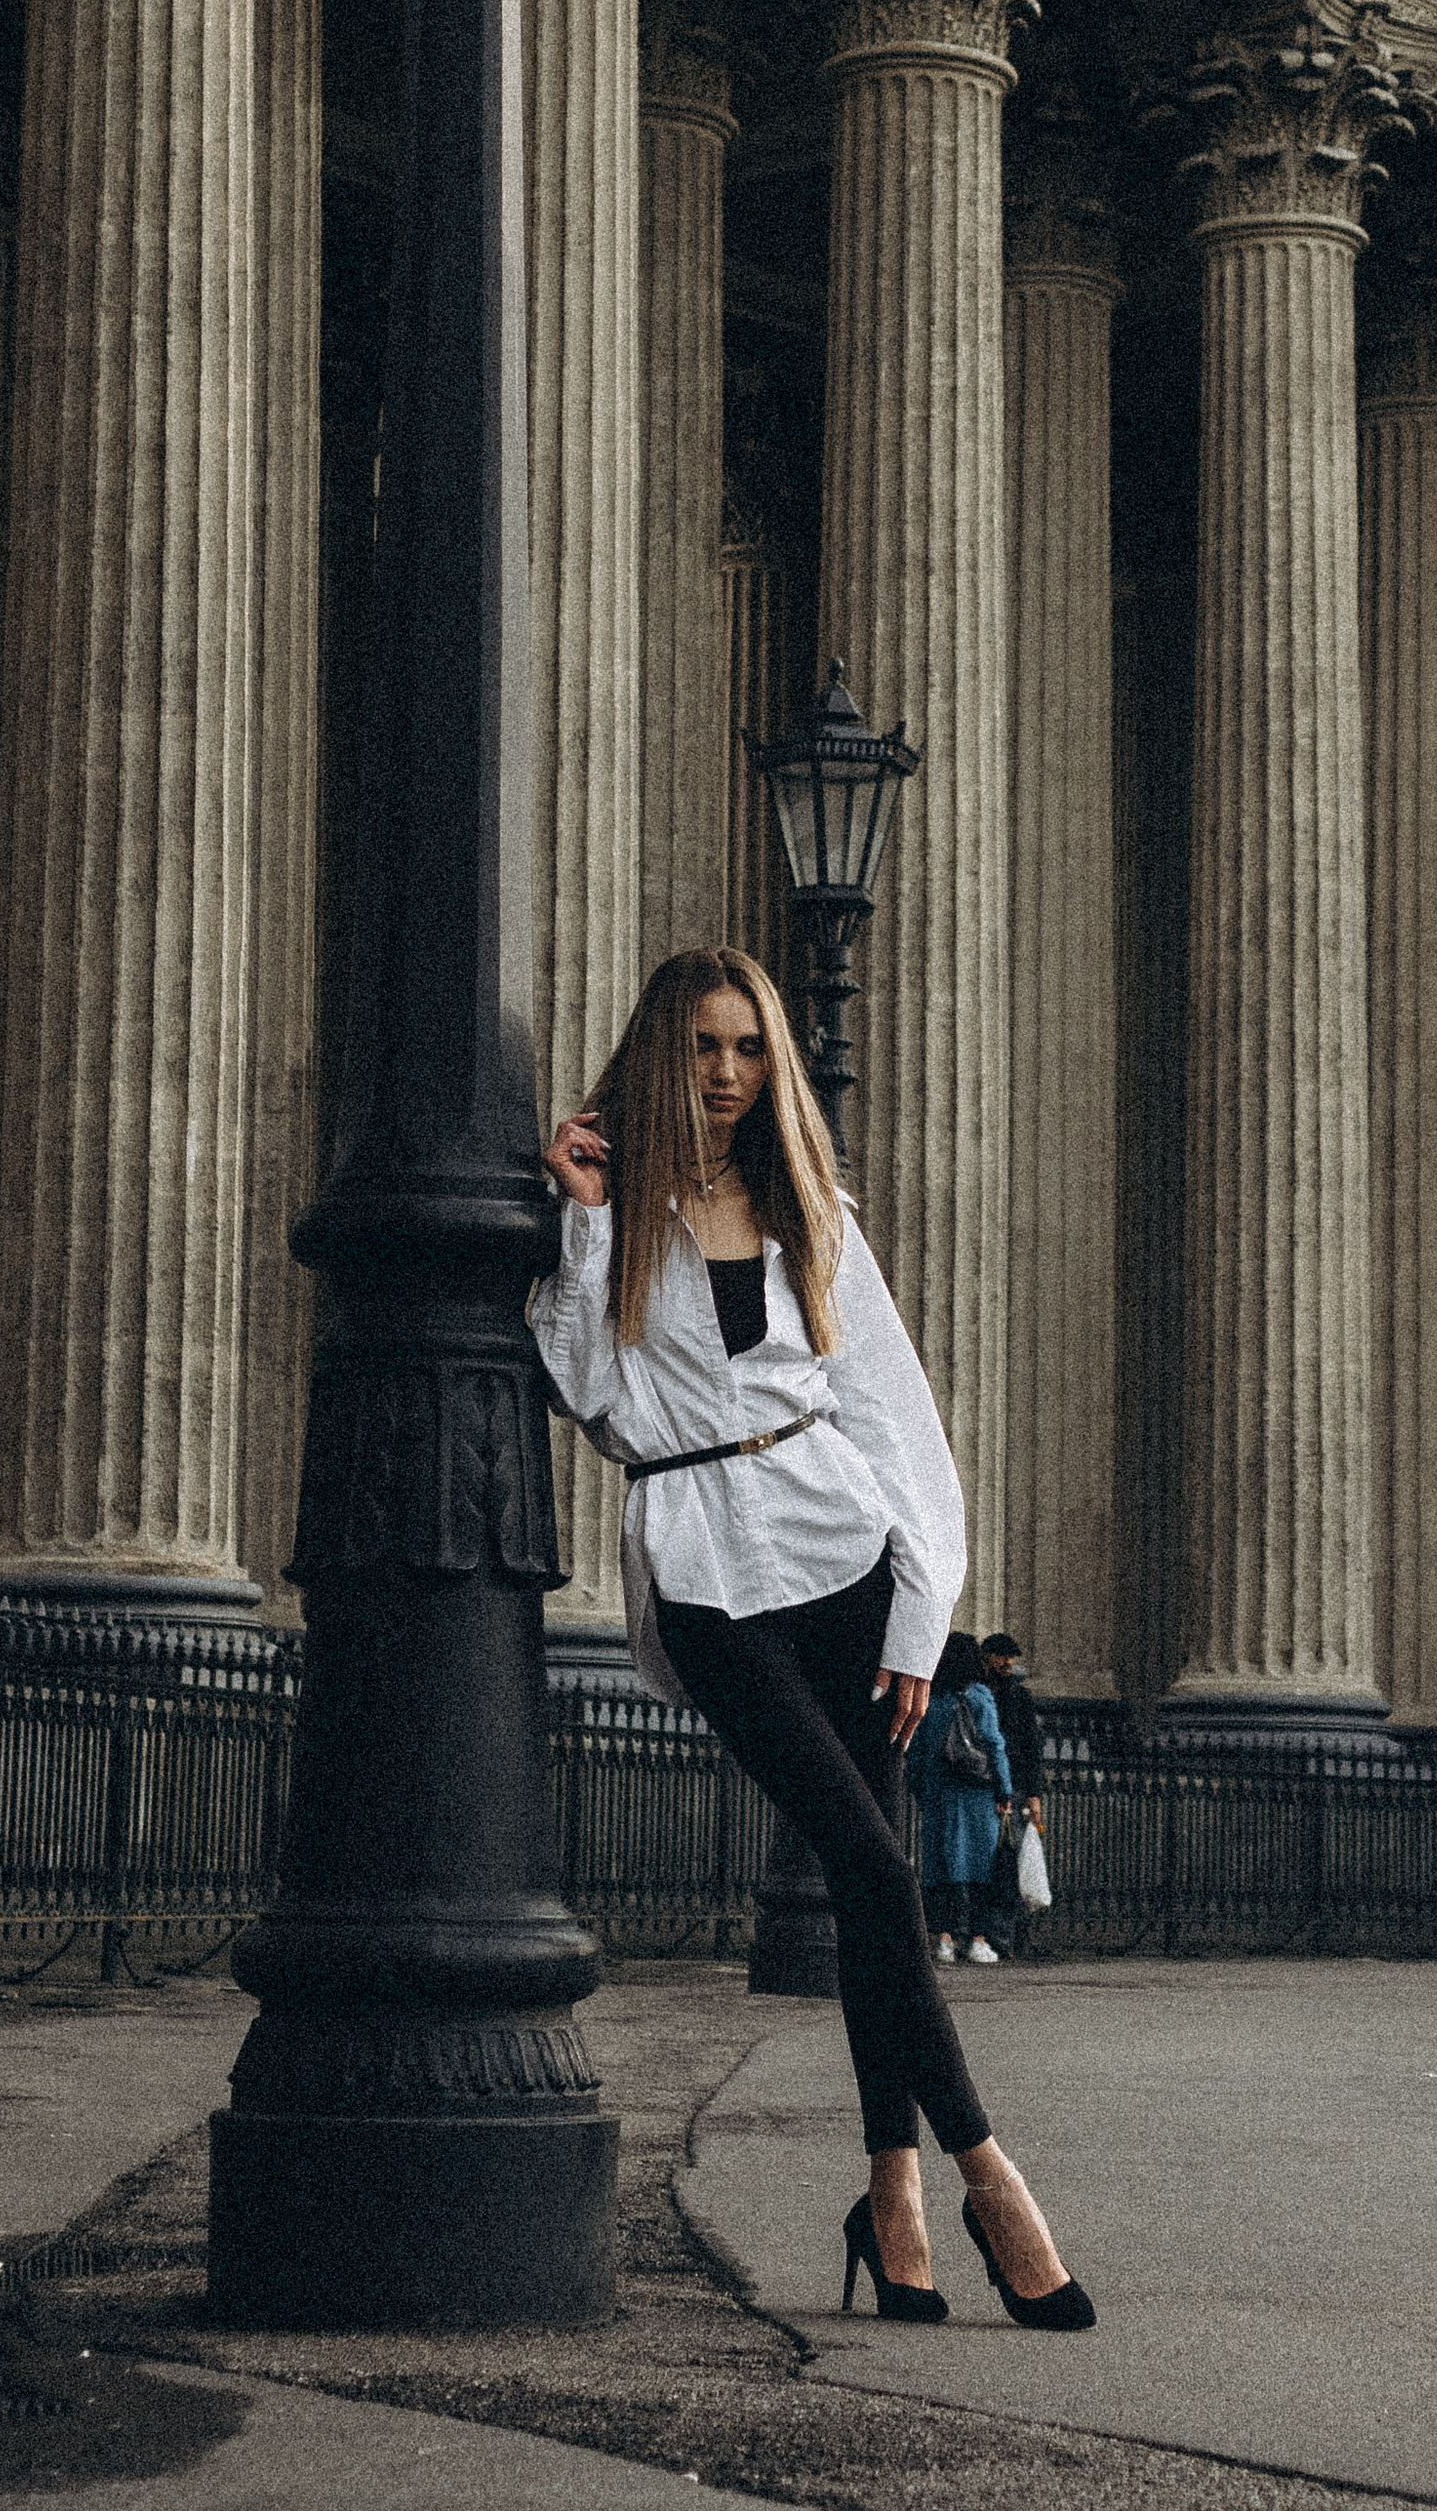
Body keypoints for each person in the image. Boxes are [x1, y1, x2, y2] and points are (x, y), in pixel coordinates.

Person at [534, 946, 1093, 2326]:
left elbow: (900, 1429)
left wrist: (921, 1617)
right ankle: (990, 2174)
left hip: (842, 1555)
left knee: (868, 1885)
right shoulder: (616, 1215)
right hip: (705, 1569)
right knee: (864, 1855)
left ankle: (890, 2196)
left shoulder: (813, 1216)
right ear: (662, 1053)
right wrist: (590, 1221)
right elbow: (588, 1391)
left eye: (748, 1048)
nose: (726, 1073)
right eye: (704, 1047)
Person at [907, 1634, 1014, 1965]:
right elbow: (995, 1746)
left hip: (939, 1794)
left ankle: (944, 1939)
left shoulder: (933, 1700)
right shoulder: (980, 1697)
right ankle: (978, 1939)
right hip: (977, 1796)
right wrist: (1004, 1790)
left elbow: (917, 1752)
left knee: (940, 1871)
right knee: (981, 1872)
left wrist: (922, 1790)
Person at [980, 1631, 1047, 1958]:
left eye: (1011, 1657)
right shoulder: (978, 1694)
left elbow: (1032, 1750)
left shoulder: (1019, 1698)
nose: (1008, 1663)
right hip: (984, 1787)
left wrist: (1034, 1795)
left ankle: (1002, 1937)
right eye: (1002, 1657)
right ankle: (987, 1934)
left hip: (1015, 1789)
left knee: (1008, 1863)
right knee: (989, 1863)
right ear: (987, 1657)